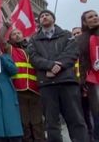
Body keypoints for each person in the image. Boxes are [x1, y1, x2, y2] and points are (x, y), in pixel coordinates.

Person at [27, 10, 88, 141]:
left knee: (76, 119)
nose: (44, 17)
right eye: (41, 16)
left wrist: (58, 66)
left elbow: (72, 52)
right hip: (47, 84)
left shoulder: (67, 34)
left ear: (53, 19)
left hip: (67, 81)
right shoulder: (33, 39)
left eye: (47, 15)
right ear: (39, 22)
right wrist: (50, 65)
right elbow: (33, 57)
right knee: (51, 123)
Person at [1, 27, 45, 142]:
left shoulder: (32, 49)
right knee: (24, 121)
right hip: (19, 90)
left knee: (37, 121)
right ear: (10, 39)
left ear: (23, 35)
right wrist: (5, 27)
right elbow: (1, 40)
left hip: (35, 89)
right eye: (13, 34)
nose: (17, 35)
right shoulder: (10, 49)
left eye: (19, 33)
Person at [78, 10, 99, 141]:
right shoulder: (80, 40)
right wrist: (81, 81)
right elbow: (79, 62)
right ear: (85, 22)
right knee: (96, 115)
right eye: (90, 17)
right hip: (93, 81)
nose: (95, 18)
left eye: (96, 15)